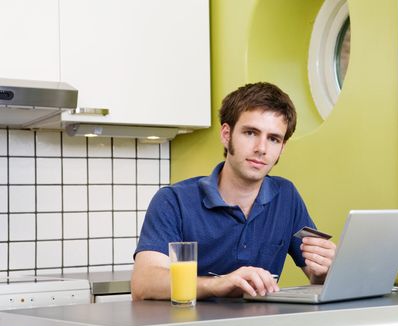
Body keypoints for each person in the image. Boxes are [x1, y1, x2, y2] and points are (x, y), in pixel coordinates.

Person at [131, 82, 336, 300]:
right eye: (250, 133)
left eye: (273, 139)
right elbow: (144, 283)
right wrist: (220, 284)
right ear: (226, 134)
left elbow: (316, 279)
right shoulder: (173, 201)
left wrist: (325, 270)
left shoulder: (287, 196)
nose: (261, 148)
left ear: (282, 148)